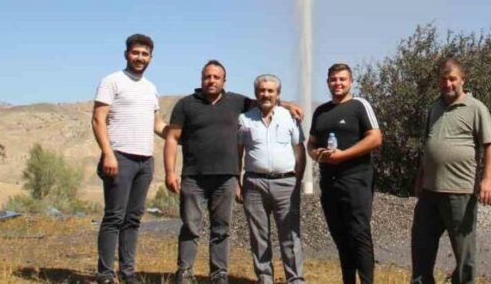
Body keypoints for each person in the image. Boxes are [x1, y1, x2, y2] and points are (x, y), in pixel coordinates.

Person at [164, 60, 303, 284]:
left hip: (226, 178)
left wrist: (286, 105)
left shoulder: (237, 102)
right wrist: (170, 172)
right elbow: (172, 138)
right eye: (207, 76)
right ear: (201, 79)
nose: (211, 80)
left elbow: (265, 99)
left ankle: (219, 274)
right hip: (193, 177)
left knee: (222, 229)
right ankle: (185, 272)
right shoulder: (185, 105)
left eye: (216, 77)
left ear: (224, 81)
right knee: (190, 226)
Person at [410, 58, 491, 284]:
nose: (447, 84)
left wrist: (487, 179)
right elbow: (429, 145)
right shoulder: (434, 108)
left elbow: (490, 145)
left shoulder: (476, 108)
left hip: (460, 192)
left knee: (464, 253)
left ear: (462, 80)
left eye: (452, 79)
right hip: (430, 192)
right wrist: (420, 177)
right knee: (421, 246)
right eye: (443, 79)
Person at [92, 33, 167, 284]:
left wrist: (180, 135)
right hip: (119, 157)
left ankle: (128, 272)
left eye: (145, 54)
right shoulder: (112, 81)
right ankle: (105, 273)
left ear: (151, 58)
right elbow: (98, 119)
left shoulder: (151, 87)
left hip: (145, 161)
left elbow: (157, 124)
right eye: (136, 53)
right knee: (114, 216)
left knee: (133, 219)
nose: (140, 58)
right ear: (126, 54)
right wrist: (108, 153)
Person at [308, 63, 383, 284]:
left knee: (359, 233)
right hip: (329, 182)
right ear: (327, 82)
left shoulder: (359, 106)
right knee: (340, 236)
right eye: (333, 79)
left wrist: (343, 155)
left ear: (351, 81)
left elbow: (375, 138)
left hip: (356, 179)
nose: (337, 83)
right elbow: (310, 145)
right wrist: (317, 154)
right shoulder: (321, 111)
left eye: (342, 79)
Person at [236, 74, 307, 284]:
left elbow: (299, 151)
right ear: (256, 92)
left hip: (286, 183)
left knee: (290, 235)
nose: (265, 94)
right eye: (262, 90)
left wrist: (298, 180)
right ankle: (265, 278)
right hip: (254, 185)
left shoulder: (290, 118)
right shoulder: (244, 119)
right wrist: (237, 183)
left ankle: (295, 279)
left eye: (270, 91)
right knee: (259, 236)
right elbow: (237, 153)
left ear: (278, 94)